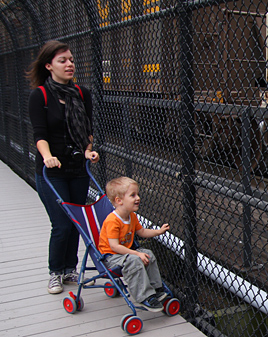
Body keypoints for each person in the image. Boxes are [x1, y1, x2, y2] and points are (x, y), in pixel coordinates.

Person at [27, 40, 100, 294]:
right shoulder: (40, 95)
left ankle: (70, 268)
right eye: (62, 61)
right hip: (51, 172)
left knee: (77, 221)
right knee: (61, 224)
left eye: (70, 59)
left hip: (77, 169)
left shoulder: (82, 93)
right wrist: (47, 155)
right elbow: (39, 134)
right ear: (49, 66)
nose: (69, 64)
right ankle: (55, 272)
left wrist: (89, 150)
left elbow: (87, 131)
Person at [98, 177, 170, 312]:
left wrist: (158, 231)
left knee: (148, 254)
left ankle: (156, 288)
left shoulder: (132, 216)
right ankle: (144, 297)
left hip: (125, 253)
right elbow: (114, 246)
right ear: (119, 201)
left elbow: (142, 231)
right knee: (135, 260)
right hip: (111, 257)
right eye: (133, 195)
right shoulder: (113, 220)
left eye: (137, 194)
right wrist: (136, 253)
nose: (138, 198)